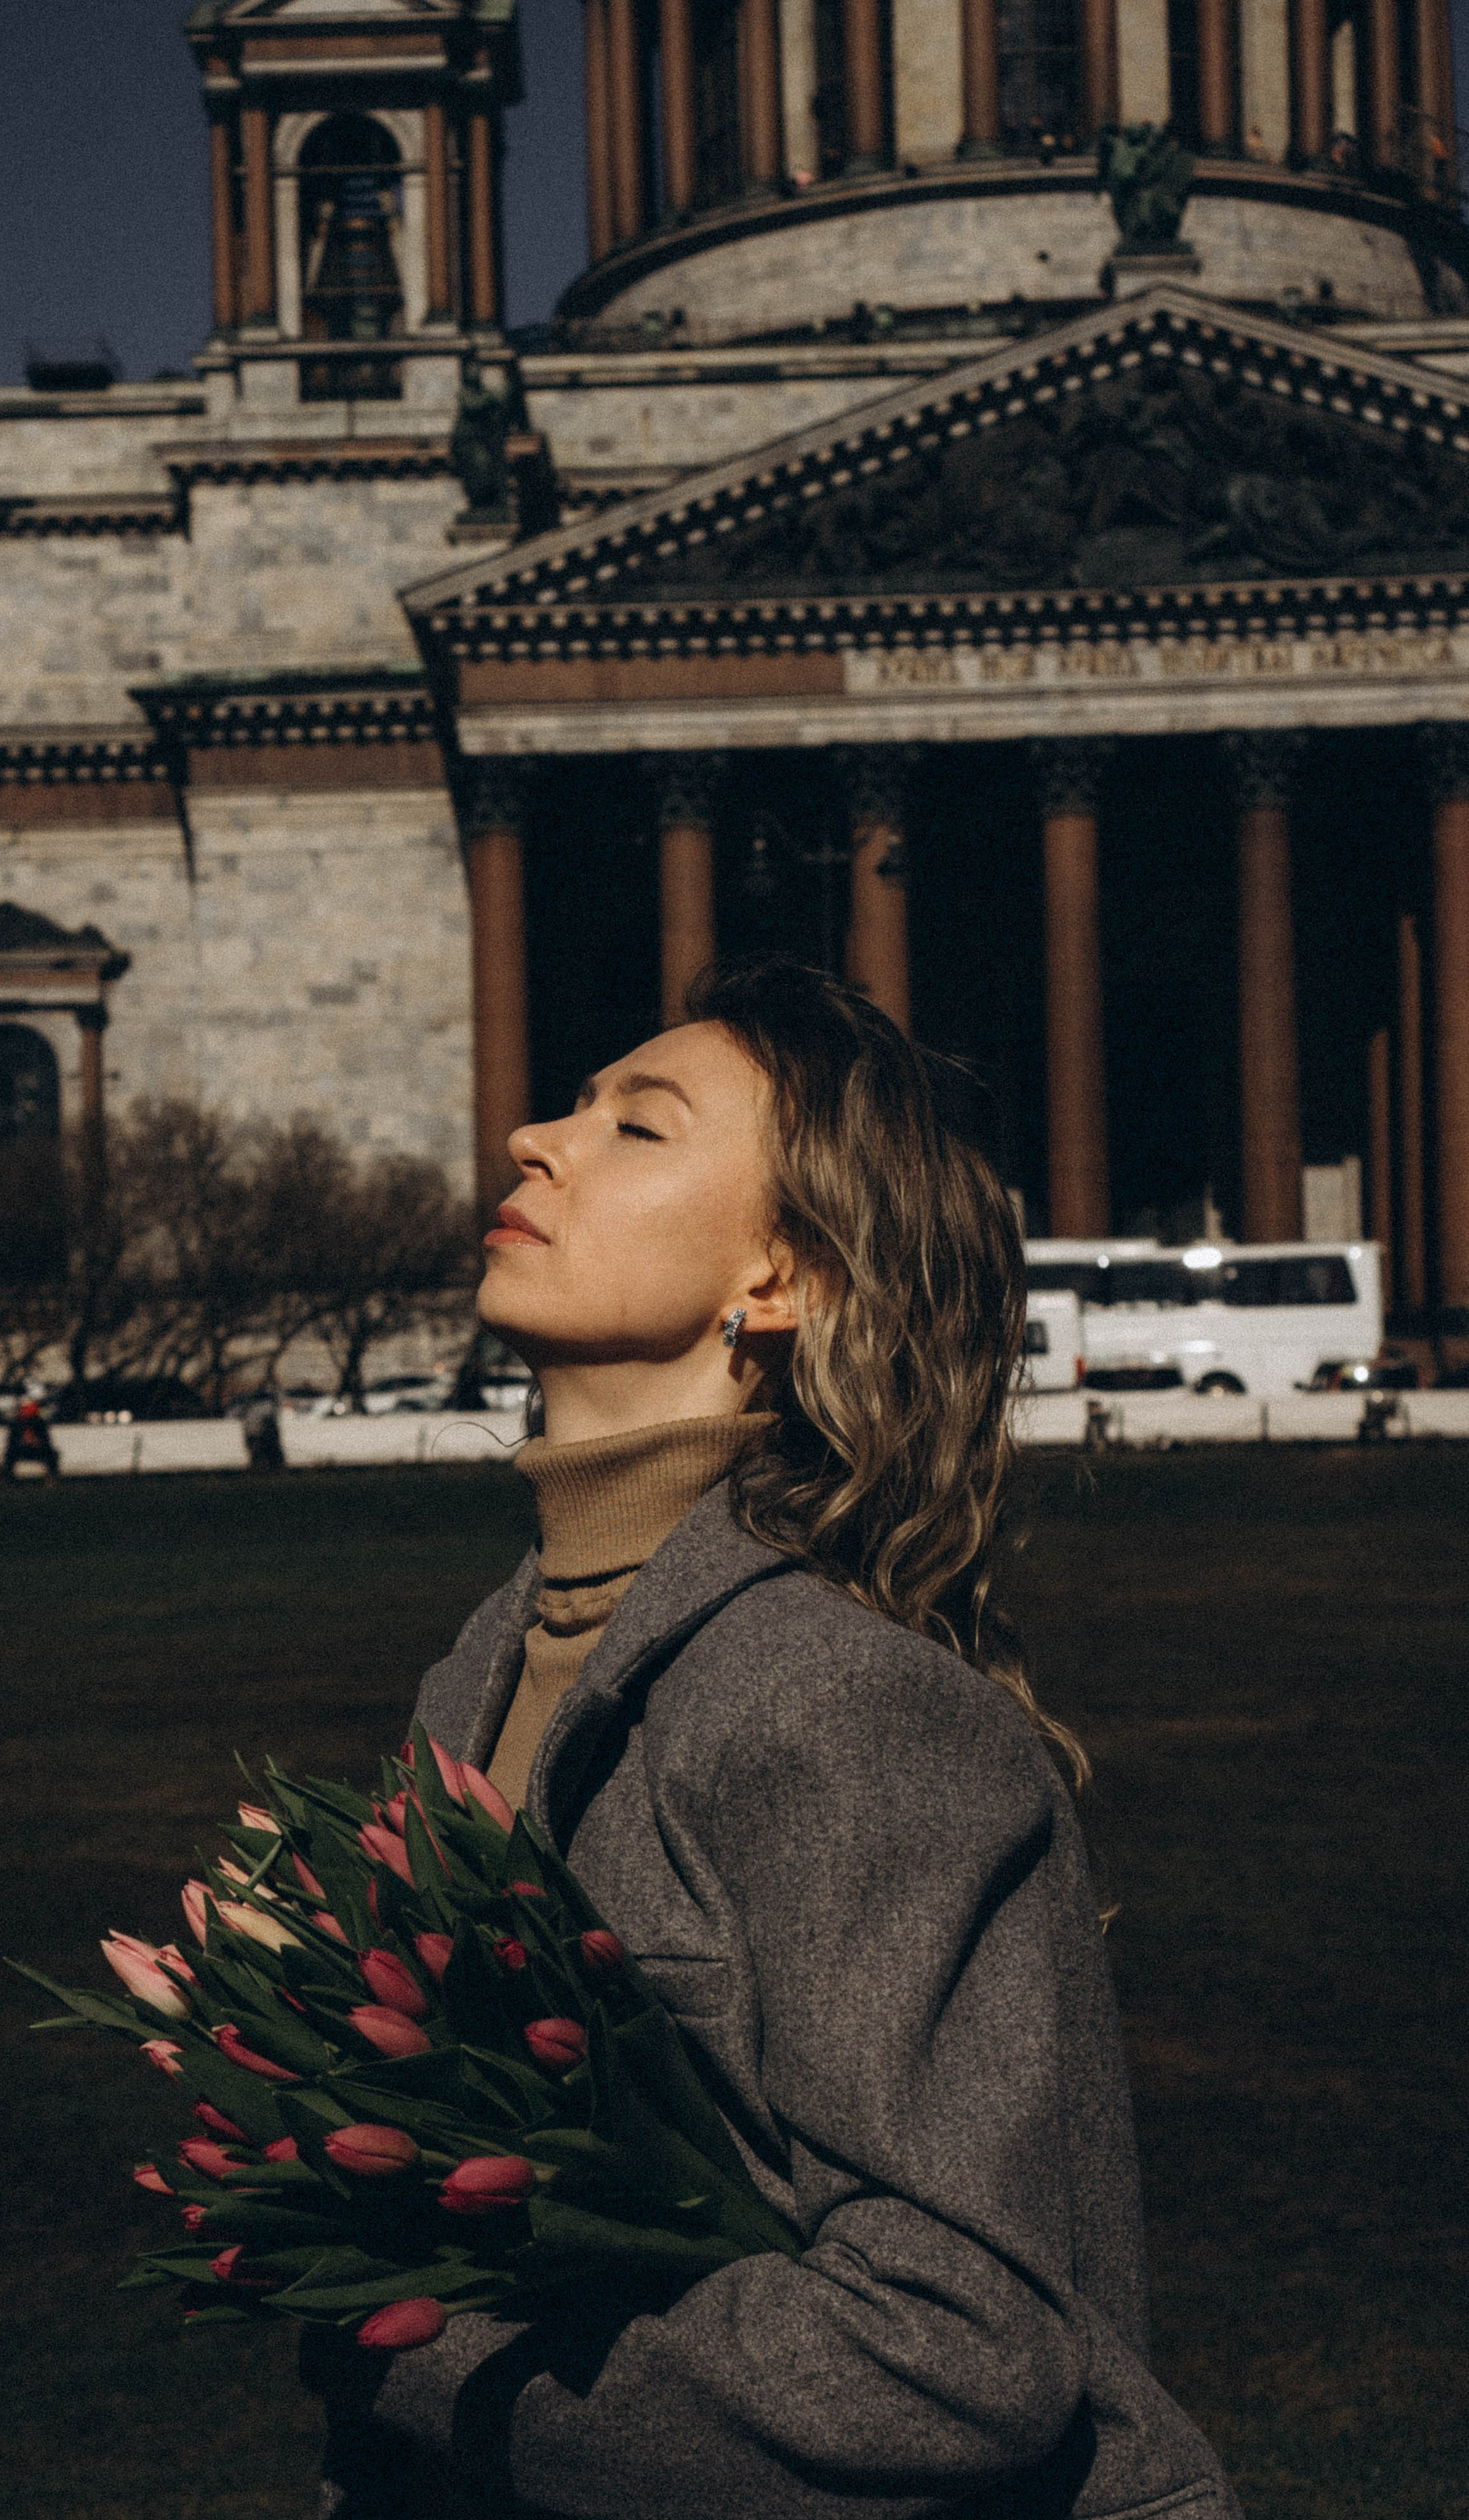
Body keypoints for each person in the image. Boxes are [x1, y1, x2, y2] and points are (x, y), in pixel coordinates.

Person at [305, 958, 1240, 2520]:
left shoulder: (837, 1709)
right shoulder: (482, 1662)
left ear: (779, 1281)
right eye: (574, 1104)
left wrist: (398, 2331)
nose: (536, 1135)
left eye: (636, 1128)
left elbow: (947, 2350)